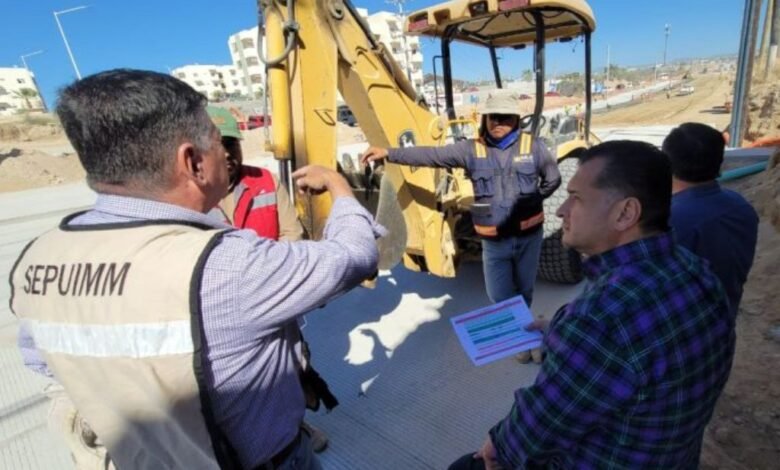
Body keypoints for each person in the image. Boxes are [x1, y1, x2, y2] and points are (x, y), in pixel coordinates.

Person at [10, 69, 382, 470]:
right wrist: (339, 186)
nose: (226, 154)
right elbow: (354, 254)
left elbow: (42, 360)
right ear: (193, 162)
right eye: (216, 141)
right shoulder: (229, 265)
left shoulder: (38, 258)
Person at [449, 140, 735, 469]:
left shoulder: (601, 319)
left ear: (626, 213)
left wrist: (497, 442)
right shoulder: (697, 272)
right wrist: (560, 329)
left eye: (576, 198)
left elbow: (531, 435)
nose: (560, 210)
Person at [362, 90, 559, 364]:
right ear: (485, 119)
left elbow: (553, 179)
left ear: (516, 119)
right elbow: (432, 155)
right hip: (494, 243)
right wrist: (388, 153)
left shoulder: (533, 147)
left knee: (525, 291)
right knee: (500, 295)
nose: (499, 122)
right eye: (494, 117)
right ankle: (523, 333)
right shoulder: (470, 150)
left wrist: (533, 202)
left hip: (529, 238)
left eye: (506, 117)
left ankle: (523, 338)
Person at [206, 105, 334, 453]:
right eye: (217, 145)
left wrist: (270, 282)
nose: (227, 154)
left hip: (273, 303)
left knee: (289, 368)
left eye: (231, 144)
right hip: (222, 311)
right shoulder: (194, 195)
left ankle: (295, 427)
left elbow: (291, 235)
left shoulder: (264, 180)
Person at [663, 122, 759, 318]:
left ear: (667, 163)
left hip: (685, 332)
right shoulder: (741, 207)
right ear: (720, 160)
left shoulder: (667, 221)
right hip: (724, 322)